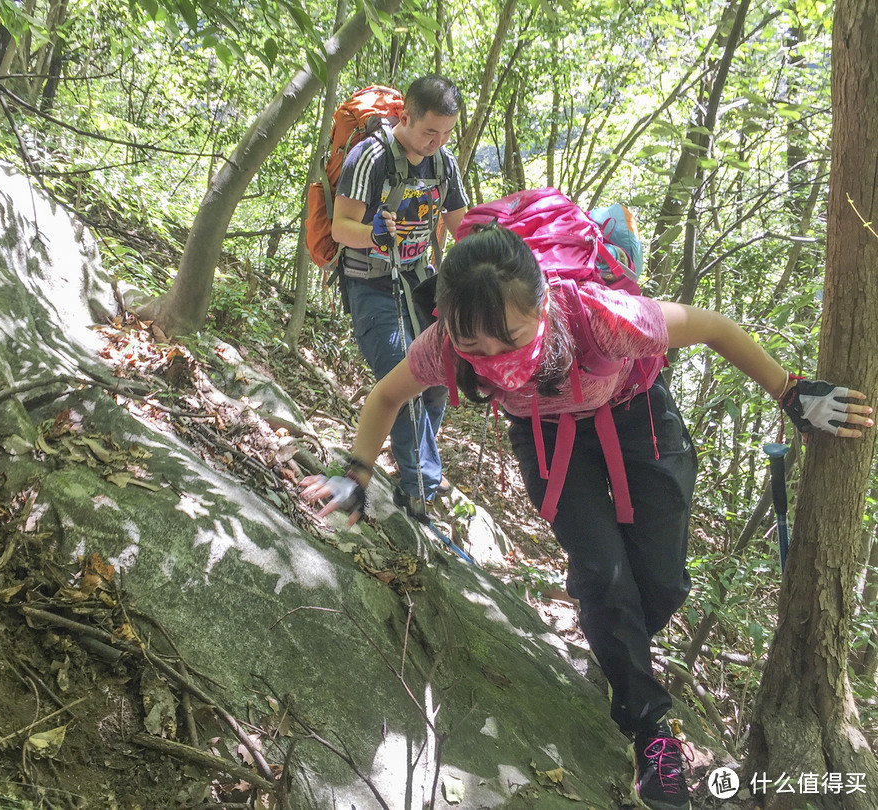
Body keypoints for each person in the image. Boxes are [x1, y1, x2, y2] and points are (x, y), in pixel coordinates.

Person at [300, 225, 873, 810]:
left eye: (512, 340)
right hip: (548, 436)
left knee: (665, 583)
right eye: (477, 349)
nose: (497, 363)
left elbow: (713, 327)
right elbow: (386, 396)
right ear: (450, 327)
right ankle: (649, 726)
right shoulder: (446, 345)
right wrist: (357, 474)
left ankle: (615, 645)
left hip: (636, 411)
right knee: (602, 572)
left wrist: (791, 391)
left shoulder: (602, 316)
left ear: (544, 302)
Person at [330, 74, 471, 516]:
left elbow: (461, 227)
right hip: (370, 283)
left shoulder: (443, 163)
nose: (439, 141)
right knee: (403, 378)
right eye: (431, 131)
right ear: (405, 117)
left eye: (447, 133)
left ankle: (416, 469)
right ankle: (419, 488)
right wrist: (373, 235)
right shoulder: (370, 158)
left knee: (439, 379)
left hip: (419, 280)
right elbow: (340, 228)